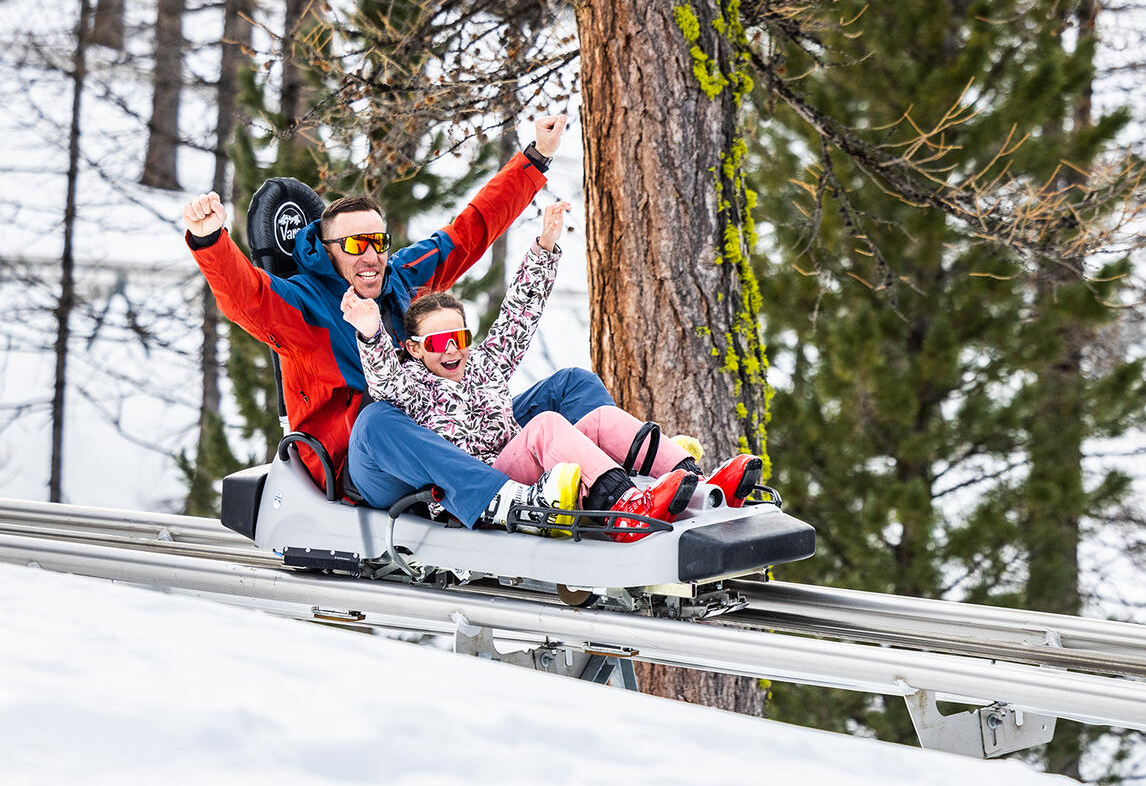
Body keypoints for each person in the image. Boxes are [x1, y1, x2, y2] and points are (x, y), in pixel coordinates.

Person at [180, 115, 618, 533]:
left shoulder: (402, 277)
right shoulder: (303, 304)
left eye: (378, 242)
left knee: (570, 385)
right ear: (329, 249)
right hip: (366, 465)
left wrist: (535, 158)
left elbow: (468, 232)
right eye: (355, 244)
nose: (370, 256)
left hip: (446, 432)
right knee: (377, 419)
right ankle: (505, 502)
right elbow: (245, 296)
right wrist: (209, 240)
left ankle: (618, 484)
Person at [340, 199, 761, 540]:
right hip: (490, 483)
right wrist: (371, 331)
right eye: (437, 343)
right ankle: (625, 504)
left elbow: (518, 316)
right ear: (414, 349)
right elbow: (383, 380)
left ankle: (697, 484)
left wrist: (543, 248)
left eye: (460, 338)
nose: (452, 350)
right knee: (545, 426)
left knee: (598, 418)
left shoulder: (482, 367)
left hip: (519, 461)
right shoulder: (411, 386)